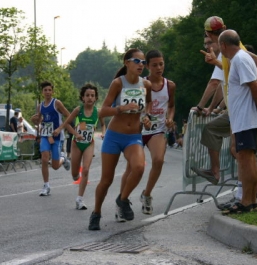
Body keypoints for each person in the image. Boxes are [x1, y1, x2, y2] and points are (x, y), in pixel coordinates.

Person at [192, 16, 257, 186]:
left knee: (244, 151)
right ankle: (249, 191)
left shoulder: (233, 51)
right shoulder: (231, 50)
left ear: (208, 33)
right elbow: (226, 79)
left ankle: (253, 190)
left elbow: (218, 82)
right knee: (243, 150)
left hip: (243, 107)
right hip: (239, 107)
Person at [88, 48, 152, 230]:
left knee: (139, 167)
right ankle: (96, 213)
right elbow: (103, 110)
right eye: (137, 61)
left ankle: (122, 199)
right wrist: (121, 109)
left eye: (143, 62)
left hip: (133, 137)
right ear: (127, 63)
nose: (141, 65)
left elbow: (148, 105)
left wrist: (146, 117)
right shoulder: (118, 83)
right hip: (114, 136)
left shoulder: (145, 85)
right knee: (106, 180)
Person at [217, 30, 257, 214]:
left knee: (246, 160)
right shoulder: (239, 59)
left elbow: (254, 86)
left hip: (246, 118)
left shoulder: (239, 59)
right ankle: (251, 199)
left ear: (223, 45)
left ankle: (247, 200)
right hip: (243, 119)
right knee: (248, 159)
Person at [120, 49, 176, 215]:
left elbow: (171, 106)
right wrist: (143, 116)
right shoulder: (141, 84)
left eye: (161, 64)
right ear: (147, 67)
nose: (159, 68)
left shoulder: (170, 85)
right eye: (154, 65)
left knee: (158, 160)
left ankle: (147, 194)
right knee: (132, 168)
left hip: (157, 129)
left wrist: (170, 118)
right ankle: (122, 200)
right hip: (137, 130)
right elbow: (132, 105)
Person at [65, 83, 106, 210]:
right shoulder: (78, 110)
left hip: (89, 144)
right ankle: (75, 175)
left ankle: (80, 199)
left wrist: (104, 133)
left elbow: (103, 125)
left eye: (92, 95)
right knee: (75, 174)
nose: (90, 98)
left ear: (95, 98)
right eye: (87, 95)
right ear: (83, 97)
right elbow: (67, 124)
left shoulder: (98, 112)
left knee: (86, 170)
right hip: (76, 144)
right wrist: (76, 134)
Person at [31, 81, 71, 196]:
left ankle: (63, 158)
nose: (47, 92)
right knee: (44, 158)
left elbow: (69, 116)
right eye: (45, 90)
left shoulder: (57, 103)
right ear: (42, 92)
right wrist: (36, 122)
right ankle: (46, 185)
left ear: (52, 91)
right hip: (45, 135)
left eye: (49, 90)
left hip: (57, 137)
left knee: (55, 166)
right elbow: (39, 120)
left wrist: (60, 128)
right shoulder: (40, 106)